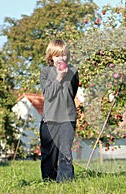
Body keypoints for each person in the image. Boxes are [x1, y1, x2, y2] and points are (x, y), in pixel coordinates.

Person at [39, 39, 79, 182]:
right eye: (57, 55)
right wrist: (59, 77)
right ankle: (49, 181)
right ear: (51, 57)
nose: (60, 58)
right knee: (49, 155)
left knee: (65, 154)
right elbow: (48, 95)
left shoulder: (73, 71)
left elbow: (72, 92)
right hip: (49, 120)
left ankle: (66, 182)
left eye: (63, 55)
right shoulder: (45, 72)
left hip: (67, 119)